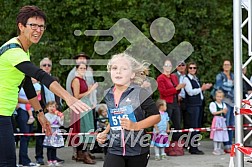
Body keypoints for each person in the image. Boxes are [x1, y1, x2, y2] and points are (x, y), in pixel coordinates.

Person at [0, 5, 90, 166]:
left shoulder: (22, 50)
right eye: (33, 25)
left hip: (4, 113)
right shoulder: (13, 51)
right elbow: (40, 75)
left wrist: (40, 115)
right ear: (21, 26)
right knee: (7, 163)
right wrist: (68, 97)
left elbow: (27, 83)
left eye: (41, 26)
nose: (38, 30)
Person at [96, 53, 161, 167]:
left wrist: (135, 126)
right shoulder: (108, 93)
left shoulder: (140, 93)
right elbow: (114, 117)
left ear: (132, 74)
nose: (118, 72)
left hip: (138, 149)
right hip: (114, 148)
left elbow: (156, 116)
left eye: (124, 69)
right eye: (114, 68)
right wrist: (104, 133)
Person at [35, 58, 64, 165]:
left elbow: (59, 94)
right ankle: (39, 156)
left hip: (54, 112)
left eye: (49, 65)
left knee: (54, 134)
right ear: (40, 67)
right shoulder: (37, 81)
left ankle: (53, 156)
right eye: (44, 65)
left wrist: (59, 107)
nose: (47, 67)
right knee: (41, 134)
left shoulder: (55, 80)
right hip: (42, 112)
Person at [68, 63, 98, 164]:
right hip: (80, 107)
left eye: (84, 68)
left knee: (88, 128)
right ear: (76, 69)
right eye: (81, 68)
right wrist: (90, 90)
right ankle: (84, 154)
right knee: (84, 129)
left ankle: (81, 153)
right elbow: (76, 96)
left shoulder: (83, 80)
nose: (83, 69)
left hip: (86, 106)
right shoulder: (76, 80)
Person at [157, 59, 185, 156]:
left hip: (175, 102)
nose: (168, 67)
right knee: (165, 125)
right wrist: (176, 89)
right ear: (163, 67)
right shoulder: (160, 78)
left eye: (170, 65)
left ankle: (176, 147)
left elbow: (176, 90)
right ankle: (164, 147)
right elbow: (163, 92)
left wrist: (179, 88)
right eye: (166, 65)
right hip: (166, 103)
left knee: (177, 125)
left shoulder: (173, 77)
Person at [183, 62, 212, 155]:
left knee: (197, 126)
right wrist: (202, 89)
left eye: (194, 68)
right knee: (193, 126)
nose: (192, 69)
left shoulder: (195, 78)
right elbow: (190, 92)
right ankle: (193, 148)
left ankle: (192, 145)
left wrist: (203, 88)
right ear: (188, 69)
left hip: (198, 104)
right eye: (190, 68)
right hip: (192, 105)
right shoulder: (186, 79)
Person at [16, 81, 41, 167]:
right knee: (25, 135)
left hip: (31, 111)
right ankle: (24, 161)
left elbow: (37, 96)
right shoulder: (19, 85)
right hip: (22, 111)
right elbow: (16, 98)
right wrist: (29, 101)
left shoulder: (36, 86)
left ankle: (22, 160)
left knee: (28, 135)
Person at [213, 60, 234, 153]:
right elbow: (220, 88)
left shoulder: (233, 75)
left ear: (231, 66)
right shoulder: (220, 76)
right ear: (222, 66)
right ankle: (226, 145)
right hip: (225, 102)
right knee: (225, 124)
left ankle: (230, 144)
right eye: (225, 64)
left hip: (233, 102)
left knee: (231, 124)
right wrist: (231, 92)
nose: (226, 66)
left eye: (228, 65)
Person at [43, 101, 64, 166]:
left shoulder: (56, 115)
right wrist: (55, 116)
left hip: (56, 131)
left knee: (55, 147)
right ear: (47, 108)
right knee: (50, 147)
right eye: (50, 106)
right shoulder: (46, 115)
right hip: (50, 131)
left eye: (53, 107)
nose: (52, 108)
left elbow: (61, 124)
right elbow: (50, 122)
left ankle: (54, 160)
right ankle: (49, 160)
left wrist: (61, 118)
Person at [209, 90, 229, 155]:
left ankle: (219, 148)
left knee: (221, 134)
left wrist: (224, 111)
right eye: (217, 96)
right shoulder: (213, 104)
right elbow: (213, 112)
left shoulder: (223, 104)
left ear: (222, 97)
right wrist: (222, 111)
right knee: (216, 134)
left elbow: (225, 111)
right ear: (215, 97)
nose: (219, 98)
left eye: (220, 97)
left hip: (222, 120)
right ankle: (215, 148)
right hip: (217, 120)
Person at [174, 61, 190, 130]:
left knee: (187, 120)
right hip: (177, 100)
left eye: (182, 65)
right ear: (176, 67)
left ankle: (186, 138)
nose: (181, 67)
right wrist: (177, 95)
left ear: (185, 66)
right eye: (179, 65)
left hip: (187, 100)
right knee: (177, 120)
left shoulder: (188, 76)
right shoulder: (173, 76)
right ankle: (176, 139)